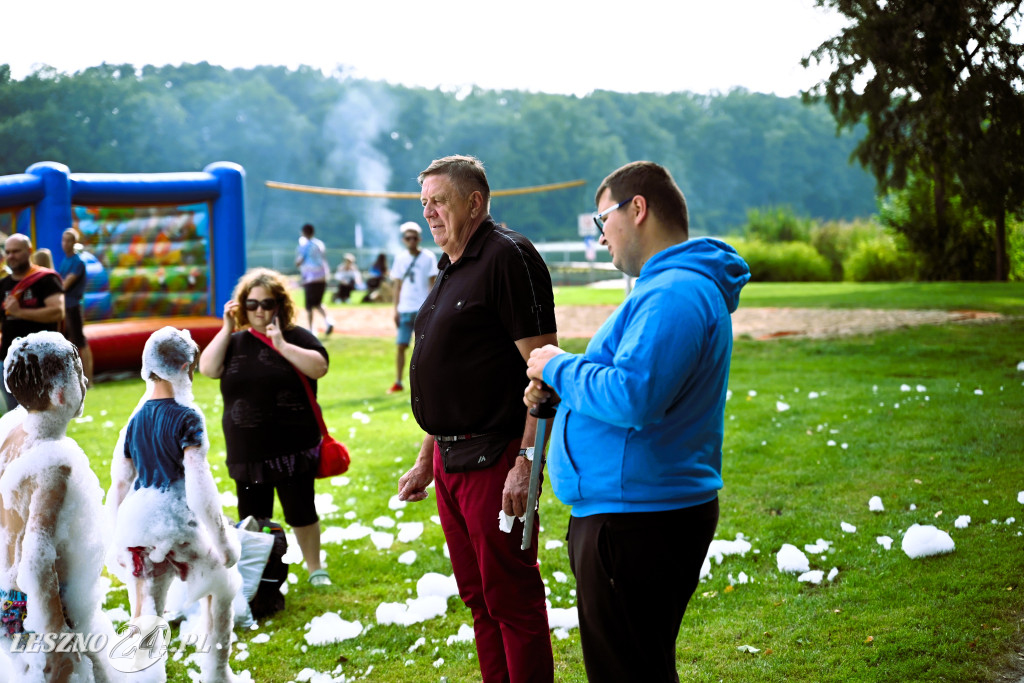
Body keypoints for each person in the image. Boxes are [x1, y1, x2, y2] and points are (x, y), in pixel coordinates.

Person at [522, 161, 751, 683]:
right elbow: (629, 380)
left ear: (638, 208)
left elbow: (634, 396)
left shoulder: (674, 293)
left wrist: (558, 364)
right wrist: (568, 385)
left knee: (626, 672)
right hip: (631, 511)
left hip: (636, 520)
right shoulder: (665, 288)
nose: (601, 235)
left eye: (603, 218)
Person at [397, 155, 557, 683]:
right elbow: (450, 373)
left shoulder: (508, 256)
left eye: (439, 202)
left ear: (475, 202)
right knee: (479, 601)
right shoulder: (448, 267)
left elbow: (545, 371)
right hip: (449, 459)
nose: (429, 214)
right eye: (424, 204)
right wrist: (427, 457)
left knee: (512, 598)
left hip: (497, 457)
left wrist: (526, 465)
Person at [105, 327, 241, 683]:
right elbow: (198, 485)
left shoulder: (134, 422)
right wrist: (223, 542)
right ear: (183, 367)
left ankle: (142, 676)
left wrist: (116, 540)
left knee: (144, 613)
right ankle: (217, 670)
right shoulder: (187, 416)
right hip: (178, 524)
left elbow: (119, 484)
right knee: (220, 588)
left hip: (138, 525)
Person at [198, 268, 333, 586]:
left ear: (280, 305)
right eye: (252, 304)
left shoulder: (296, 335)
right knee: (254, 516)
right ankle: (258, 576)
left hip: (292, 446)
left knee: (301, 510)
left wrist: (281, 345)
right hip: (247, 448)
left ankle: (315, 569)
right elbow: (207, 368)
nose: (260, 311)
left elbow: (320, 366)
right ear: (242, 307)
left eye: (267, 303)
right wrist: (227, 326)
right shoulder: (233, 341)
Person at [0, 331, 119, 682]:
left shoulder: (10, 430)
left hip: (10, 599)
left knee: (97, 670)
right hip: (45, 606)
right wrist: (56, 633)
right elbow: (38, 556)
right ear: (61, 393)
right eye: (78, 374)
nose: (85, 380)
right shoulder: (54, 463)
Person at [0, 234, 65, 411]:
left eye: (16, 251)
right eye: (8, 252)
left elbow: (57, 312)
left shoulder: (46, 279)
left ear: (29, 251)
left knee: (44, 412)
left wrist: (19, 312)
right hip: (9, 359)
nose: (11, 256)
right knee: (15, 413)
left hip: (42, 359)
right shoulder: (3, 284)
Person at [386, 222, 438, 394]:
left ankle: (423, 383)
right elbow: (398, 286)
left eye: (414, 237)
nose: (411, 241)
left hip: (422, 308)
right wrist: (395, 309)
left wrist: (431, 307)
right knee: (401, 345)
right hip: (405, 308)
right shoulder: (400, 258)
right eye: (408, 238)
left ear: (419, 239)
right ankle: (399, 381)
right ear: (404, 240)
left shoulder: (428, 257)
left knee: (422, 348)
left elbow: (433, 284)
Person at [58, 228, 94, 386]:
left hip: (73, 306)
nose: (65, 243)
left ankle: (90, 379)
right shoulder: (65, 261)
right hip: (65, 307)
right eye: (63, 240)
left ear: (74, 242)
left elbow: (65, 285)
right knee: (68, 341)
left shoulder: (77, 262)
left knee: (80, 342)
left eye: (68, 240)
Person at [294, 223, 334, 335]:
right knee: (318, 302)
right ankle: (328, 321)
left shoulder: (304, 245)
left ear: (303, 232)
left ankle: (311, 329)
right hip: (322, 277)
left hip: (311, 278)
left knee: (309, 306)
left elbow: (299, 261)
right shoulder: (320, 244)